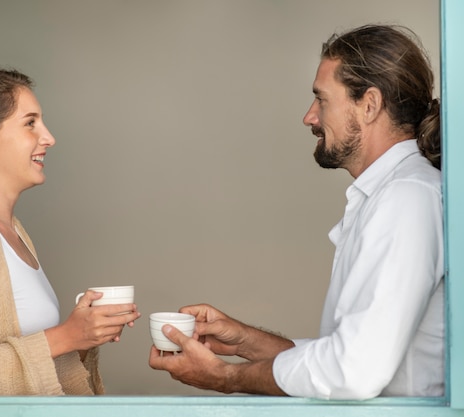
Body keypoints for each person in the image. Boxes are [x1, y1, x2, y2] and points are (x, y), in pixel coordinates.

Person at [149, 24, 443, 400]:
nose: (310, 117)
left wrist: (227, 377)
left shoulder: (406, 200)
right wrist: (246, 341)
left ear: (369, 105)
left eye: (322, 99)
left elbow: (352, 370)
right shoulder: (391, 195)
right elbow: (344, 356)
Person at [0, 69, 141, 395]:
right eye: (30, 123)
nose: (49, 137)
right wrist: (65, 336)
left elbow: (36, 365)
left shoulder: (14, 232)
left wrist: (83, 336)